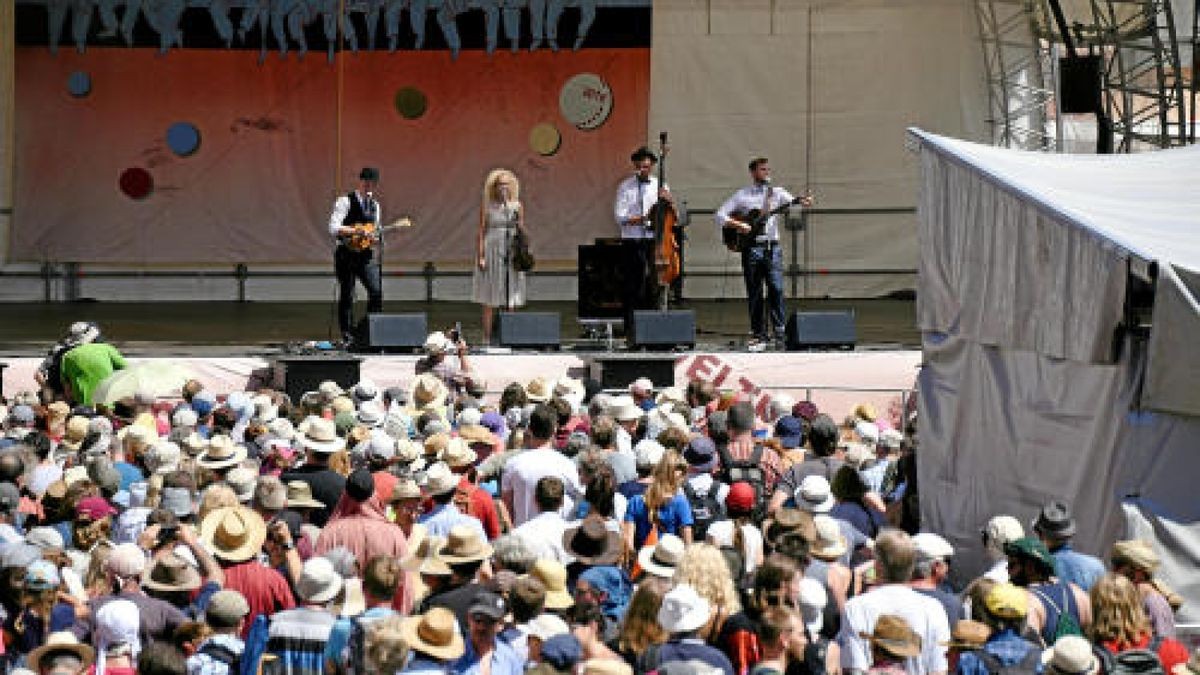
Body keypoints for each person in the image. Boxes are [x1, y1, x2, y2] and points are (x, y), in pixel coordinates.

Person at [714, 157, 812, 350]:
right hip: (751, 248)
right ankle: (758, 333)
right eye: (762, 169)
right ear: (753, 172)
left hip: (772, 247)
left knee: (776, 289)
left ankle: (779, 331)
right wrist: (739, 224)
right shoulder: (743, 195)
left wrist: (803, 201)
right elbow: (719, 214)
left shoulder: (777, 193)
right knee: (755, 291)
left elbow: (794, 204)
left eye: (768, 169)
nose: (766, 172)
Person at [613, 146, 673, 317]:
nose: (643, 169)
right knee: (634, 281)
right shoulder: (625, 187)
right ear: (635, 165)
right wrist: (642, 219)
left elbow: (670, 212)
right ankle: (632, 319)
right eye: (640, 166)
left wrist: (669, 200)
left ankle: (654, 317)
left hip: (655, 239)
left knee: (655, 280)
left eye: (647, 166)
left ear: (652, 166)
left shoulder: (659, 185)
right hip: (633, 239)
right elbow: (620, 217)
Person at [328, 166, 383, 345]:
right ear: (360, 181)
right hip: (346, 254)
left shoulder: (375, 206)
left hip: (365, 255)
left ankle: (371, 331)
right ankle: (348, 334)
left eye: (372, 183)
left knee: (376, 291)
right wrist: (355, 230)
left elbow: (373, 231)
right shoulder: (345, 201)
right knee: (347, 294)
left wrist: (374, 238)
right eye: (366, 181)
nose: (369, 185)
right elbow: (333, 227)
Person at [473, 168, 528, 344]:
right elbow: (481, 232)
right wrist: (481, 256)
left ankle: (509, 335)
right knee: (490, 297)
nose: (503, 187)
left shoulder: (517, 206)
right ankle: (487, 337)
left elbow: (521, 231)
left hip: (511, 251)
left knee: (510, 292)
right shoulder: (487, 206)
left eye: (506, 184)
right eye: (499, 184)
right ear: (494, 187)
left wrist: (522, 251)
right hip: (492, 249)